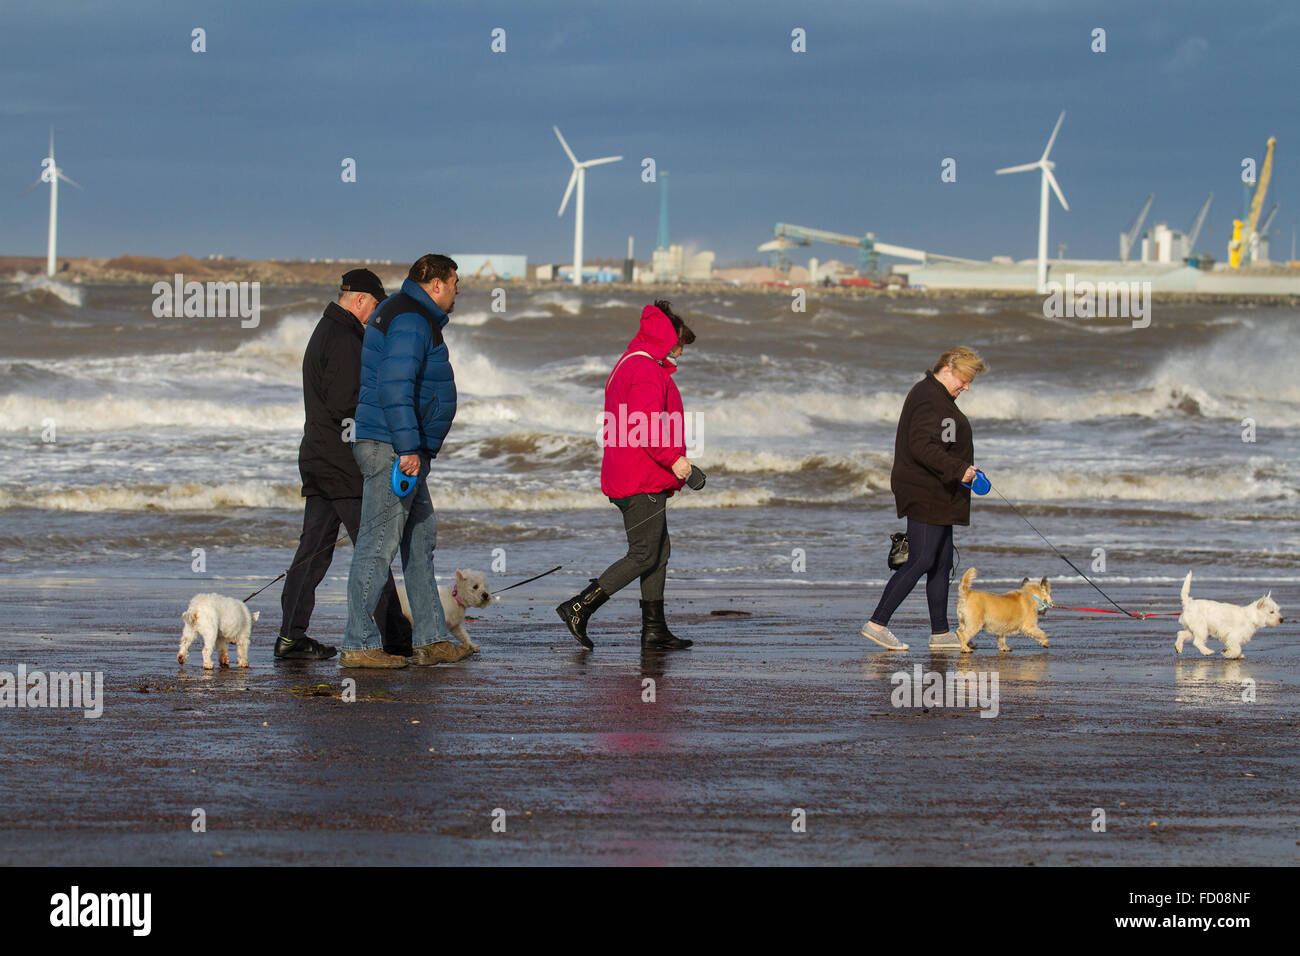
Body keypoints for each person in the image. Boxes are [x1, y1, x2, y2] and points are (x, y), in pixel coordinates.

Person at [275, 269, 413, 661]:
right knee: (374, 545)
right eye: (374, 307)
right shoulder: (343, 339)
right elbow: (345, 405)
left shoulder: (328, 331)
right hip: (339, 465)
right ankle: (396, 638)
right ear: (359, 300)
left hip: (320, 459)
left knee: (313, 552)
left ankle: (290, 635)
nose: (375, 316)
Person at [340, 254, 466, 669]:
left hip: (401, 446)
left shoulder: (408, 312)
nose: (457, 290)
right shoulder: (411, 319)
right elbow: (396, 387)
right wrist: (409, 448)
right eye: (454, 282)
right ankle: (358, 644)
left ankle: (430, 638)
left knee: (420, 539)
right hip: (394, 448)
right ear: (435, 284)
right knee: (378, 546)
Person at [556, 300, 697, 651]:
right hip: (640, 477)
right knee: (644, 553)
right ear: (664, 338)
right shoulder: (646, 369)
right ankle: (579, 606)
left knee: (658, 551)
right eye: (679, 343)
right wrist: (677, 462)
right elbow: (647, 427)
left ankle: (654, 630)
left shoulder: (630, 363)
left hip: (636, 472)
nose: (681, 351)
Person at [863, 346, 987, 650]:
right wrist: (959, 469)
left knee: (942, 562)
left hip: (938, 490)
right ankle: (877, 623)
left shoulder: (937, 397)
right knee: (921, 558)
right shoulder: (929, 398)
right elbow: (922, 446)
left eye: (970, 382)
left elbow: (937, 444)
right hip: (925, 490)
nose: (967, 387)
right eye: (964, 380)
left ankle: (941, 633)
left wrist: (960, 470)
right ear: (947, 370)